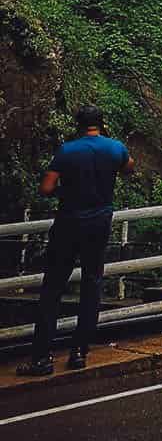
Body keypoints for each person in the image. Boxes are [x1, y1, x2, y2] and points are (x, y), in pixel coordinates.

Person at [18, 105, 134, 377]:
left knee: (53, 287)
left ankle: (42, 359)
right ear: (101, 123)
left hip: (69, 223)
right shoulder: (115, 148)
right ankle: (79, 352)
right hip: (99, 224)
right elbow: (129, 168)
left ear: (78, 125)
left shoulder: (67, 150)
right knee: (92, 284)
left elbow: (46, 188)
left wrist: (68, 187)